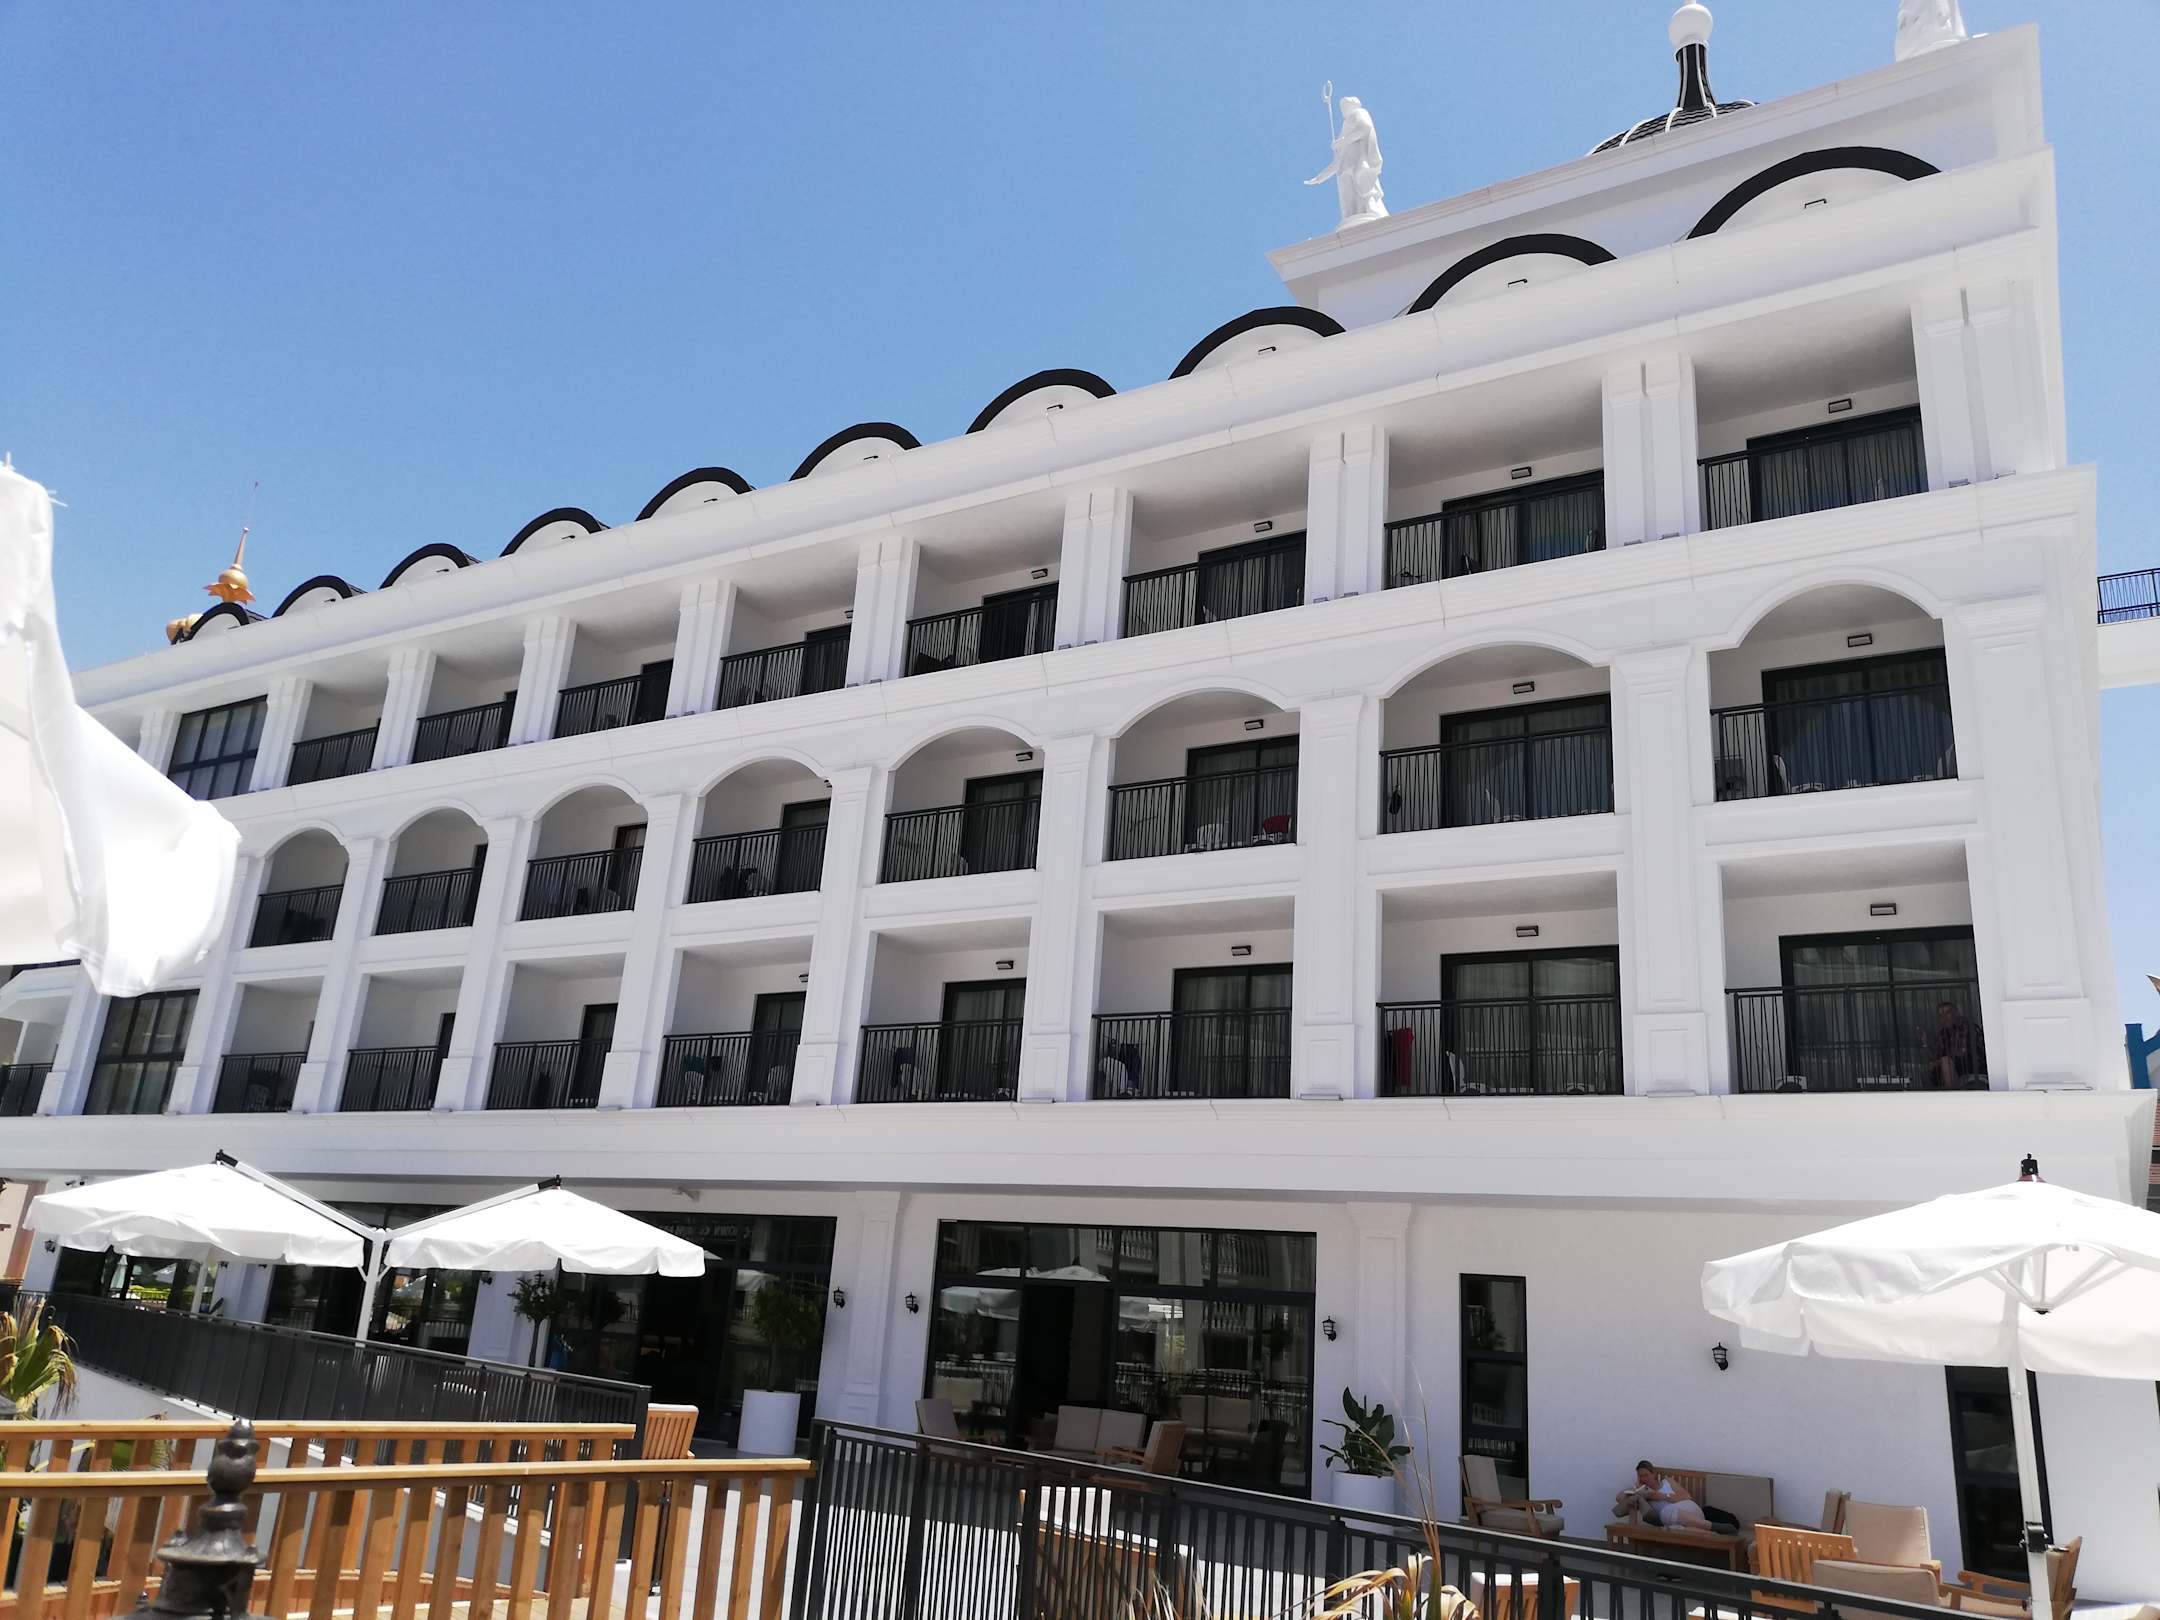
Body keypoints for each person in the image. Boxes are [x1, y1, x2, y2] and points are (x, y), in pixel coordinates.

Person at [1613, 1461, 1712, 1531]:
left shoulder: (1667, 1482)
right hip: (1672, 1520)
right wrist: (1635, 1487)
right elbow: (1619, 1498)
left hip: (1689, 1511)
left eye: (1646, 1475)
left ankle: (1710, 1526)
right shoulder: (1642, 1493)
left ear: (1653, 1474)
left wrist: (1660, 1496)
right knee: (1677, 1526)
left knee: (1669, 1511)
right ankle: (1713, 1529)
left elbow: (1686, 1496)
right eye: (1640, 1476)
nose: (1644, 1478)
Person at [1926, 1000, 1977, 1089]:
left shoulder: (1965, 1027)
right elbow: (1936, 1055)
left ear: (1956, 1013)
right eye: (1941, 1015)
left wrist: (1937, 1062)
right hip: (1954, 1070)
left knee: (1946, 1062)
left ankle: (1953, 1094)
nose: (1944, 1017)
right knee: (1927, 1071)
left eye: (1947, 1013)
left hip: (1972, 1069)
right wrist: (1925, 1042)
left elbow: (1959, 1054)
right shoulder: (1943, 1033)